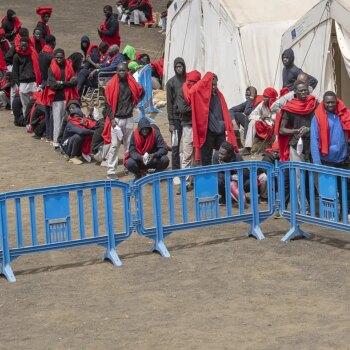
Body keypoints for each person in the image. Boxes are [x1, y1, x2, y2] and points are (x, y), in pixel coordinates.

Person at [101, 62, 144, 180]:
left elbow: (141, 92)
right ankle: (111, 171)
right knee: (114, 146)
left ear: (127, 71)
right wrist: (112, 120)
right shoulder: (111, 86)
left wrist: (134, 103)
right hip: (117, 119)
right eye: (119, 71)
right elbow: (107, 105)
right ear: (116, 72)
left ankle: (128, 167)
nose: (121, 72)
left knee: (129, 145)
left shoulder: (132, 83)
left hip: (129, 118)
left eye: (124, 70)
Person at [191, 72, 239, 166]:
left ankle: (221, 177)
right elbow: (193, 91)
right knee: (206, 159)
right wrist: (205, 80)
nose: (213, 87)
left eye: (215, 84)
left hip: (220, 131)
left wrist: (223, 125)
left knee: (223, 156)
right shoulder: (202, 96)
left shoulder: (219, 96)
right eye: (211, 84)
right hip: (207, 132)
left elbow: (224, 112)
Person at [42, 48, 79, 148]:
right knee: (57, 121)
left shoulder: (69, 66)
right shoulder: (51, 68)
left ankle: (64, 141)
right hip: (57, 99)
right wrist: (68, 83)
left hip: (68, 98)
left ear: (64, 57)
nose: (59, 59)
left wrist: (62, 82)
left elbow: (75, 82)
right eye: (57, 57)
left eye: (61, 57)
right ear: (54, 57)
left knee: (67, 120)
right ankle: (56, 142)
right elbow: (53, 85)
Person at [311, 91, 350, 167]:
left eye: (333, 102)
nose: (330, 105)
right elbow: (314, 141)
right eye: (327, 102)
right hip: (326, 162)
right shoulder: (317, 118)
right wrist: (317, 163)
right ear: (323, 102)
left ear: (337, 101)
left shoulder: (344, 114)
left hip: (343, 159)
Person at [177, 70, 201, 189]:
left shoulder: (201, 90)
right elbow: (183, 109)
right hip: (188, 126)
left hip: (200, 126)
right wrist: (197, 107)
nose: (192, 84)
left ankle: (197, 180)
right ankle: (185, 182)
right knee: (187, 154)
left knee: (199, 155)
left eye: (195, 82)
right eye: (190, 81)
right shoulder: (182, 91)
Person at [241, 87, 278, 155]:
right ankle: (247, 148)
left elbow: (278, 117)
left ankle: (274, 149)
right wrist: (260, 117)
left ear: (271, 98)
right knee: (252, 122)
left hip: (274, 127)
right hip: (265, 125)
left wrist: (269, 116)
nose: (264, 99)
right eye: (264, 96)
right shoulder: (262, 104)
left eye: (266, 97)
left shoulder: (277, 105)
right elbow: (251, 115)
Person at [12, 37, 42, 116]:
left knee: (34, 104)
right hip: (23, 83)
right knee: (25, 105)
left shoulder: (33, 53)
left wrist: (37, 81)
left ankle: (32, 122)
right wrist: (19, 84)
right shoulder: (16, 56)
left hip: (33, 82)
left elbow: (37, 67)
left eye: (25, 45)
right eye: (22, 45)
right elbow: (15, 71)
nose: (23, 47)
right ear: (20, 44)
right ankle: (27, 122)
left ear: (28, 44)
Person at [213, 141, 249, 206]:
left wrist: (236, 174)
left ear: (229, 154)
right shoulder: (216, 156)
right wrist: (230, 177)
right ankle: (225, 197)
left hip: (238, 182)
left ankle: (240, 195)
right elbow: (215, 174)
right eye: (220, 152)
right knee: (217, 181)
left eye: (222, 154)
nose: (219, 155)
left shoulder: (238, 157)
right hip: (225, 183)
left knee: (250, 181)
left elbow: (246, 172)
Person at [166, 57, 186, 170]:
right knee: (175, 146)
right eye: (177, 67)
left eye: (181, 66)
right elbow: (169, 103)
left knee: (189, 144)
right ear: (174, 68)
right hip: (176, 119)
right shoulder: (170, 83)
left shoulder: (188, 80)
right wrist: (171, 122)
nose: (179, 69)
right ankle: (175, 170)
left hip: (187, 118)